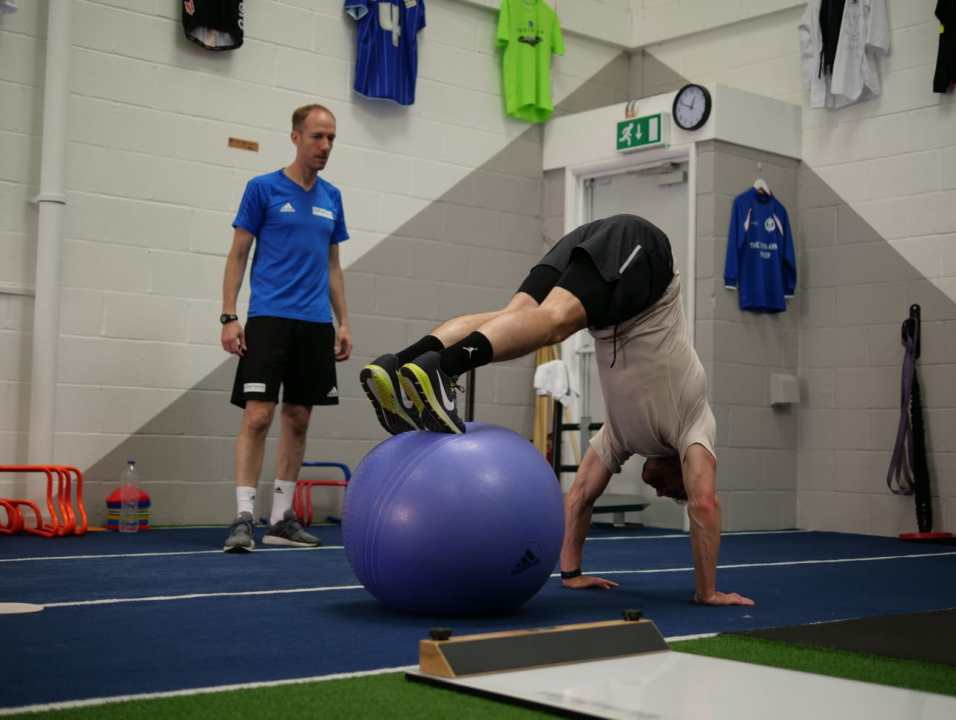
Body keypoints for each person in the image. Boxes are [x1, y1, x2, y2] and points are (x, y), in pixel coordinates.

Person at [360, 214, 753, 605]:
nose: (664, 492)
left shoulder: (621, 436)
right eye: (676, 490)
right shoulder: (694, 424)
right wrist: (707, 591)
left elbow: (579, 496)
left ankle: (399, 363)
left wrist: (571, 574)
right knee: (552, 324)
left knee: (511, 318)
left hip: (597, 254)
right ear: (684, 468)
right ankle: (444, 367)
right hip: (643, 258)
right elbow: (704, 503)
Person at [220, 103, 351, 553]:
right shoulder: (262, 189)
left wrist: (343, 321)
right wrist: (229, 314)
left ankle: (280, 519)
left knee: (298, 418)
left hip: (315, 323)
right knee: (258, 416)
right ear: (296, 137)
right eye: (317, 136)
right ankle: (243, 516)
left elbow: (333, 265)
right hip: (270, 317)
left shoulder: (332, 197)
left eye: (331, 138)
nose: (325, 146)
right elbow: (238, 253)